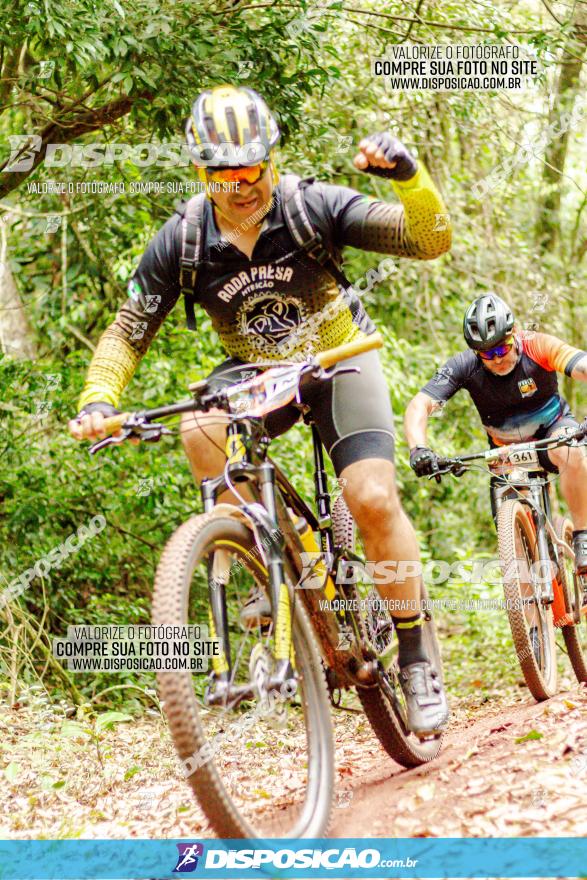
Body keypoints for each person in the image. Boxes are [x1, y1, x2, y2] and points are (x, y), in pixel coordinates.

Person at [69, 85, 451, 735]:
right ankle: (254, 554)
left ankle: (414, 654)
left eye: (252, 168)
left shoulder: (312, 208)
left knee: (373, 497)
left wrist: (408, 178)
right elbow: (128, 329)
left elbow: (428, 240)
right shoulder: (184, 240)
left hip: (337, 359)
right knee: (198, 424)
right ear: (201, 172)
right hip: (254, 374)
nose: (241, 185)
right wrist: (98, 400)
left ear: (272, 159)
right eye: (224, 174)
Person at [404, 292, 587, 573]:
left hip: (553, 432)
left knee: (572, 450)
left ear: (514, 332)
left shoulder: (537, 346)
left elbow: (582, 365)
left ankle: (583, 537)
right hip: (506, 453)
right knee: (515, 553)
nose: (496, 358)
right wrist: (419, 448)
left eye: (502, 348)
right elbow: (420, 404)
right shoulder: (464, 366)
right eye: (487, 354)